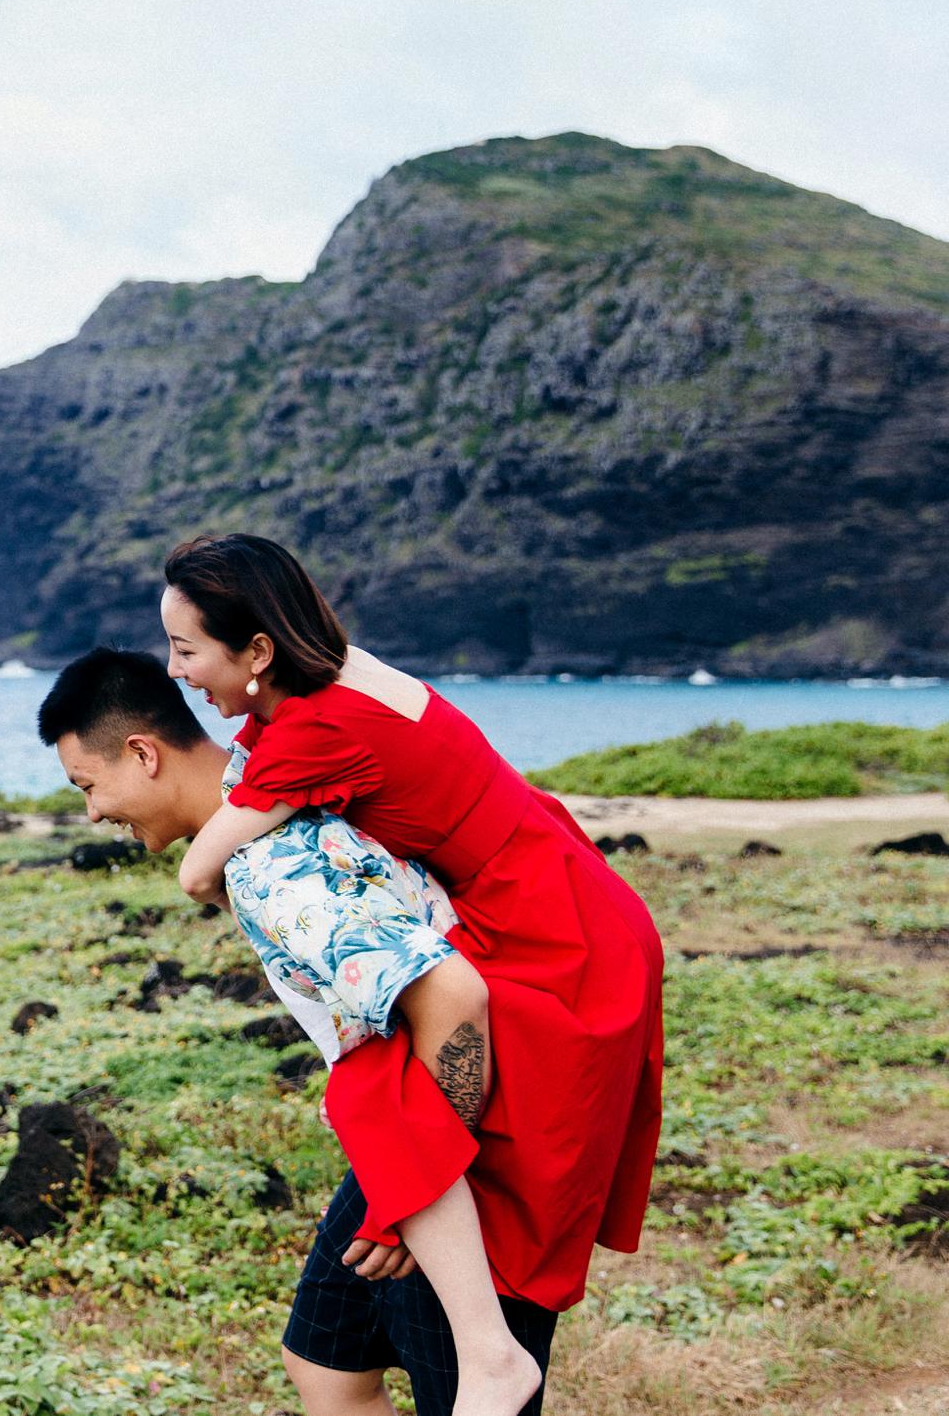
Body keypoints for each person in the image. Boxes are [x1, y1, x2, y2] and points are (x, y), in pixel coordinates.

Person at [165, 532, 664, 1414]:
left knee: (400, 1104)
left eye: (186, 648)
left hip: (550, 931)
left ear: (257, 651)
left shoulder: (313, 730)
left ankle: (492, 1356)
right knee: (339, 1333)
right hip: (552, 892)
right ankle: (476, 1340)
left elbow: (200, 870)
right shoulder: (337, 677)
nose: (177, 671)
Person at [38, 649, 555, 1416]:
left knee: (479, 1392)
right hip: (406, 1127)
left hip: (467, 1124)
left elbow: (452, 994)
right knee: (327, 1361)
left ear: (143, 754)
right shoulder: (258, 774)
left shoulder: (269, 868)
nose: (93, 815)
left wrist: (423, 1176)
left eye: (89, 786)